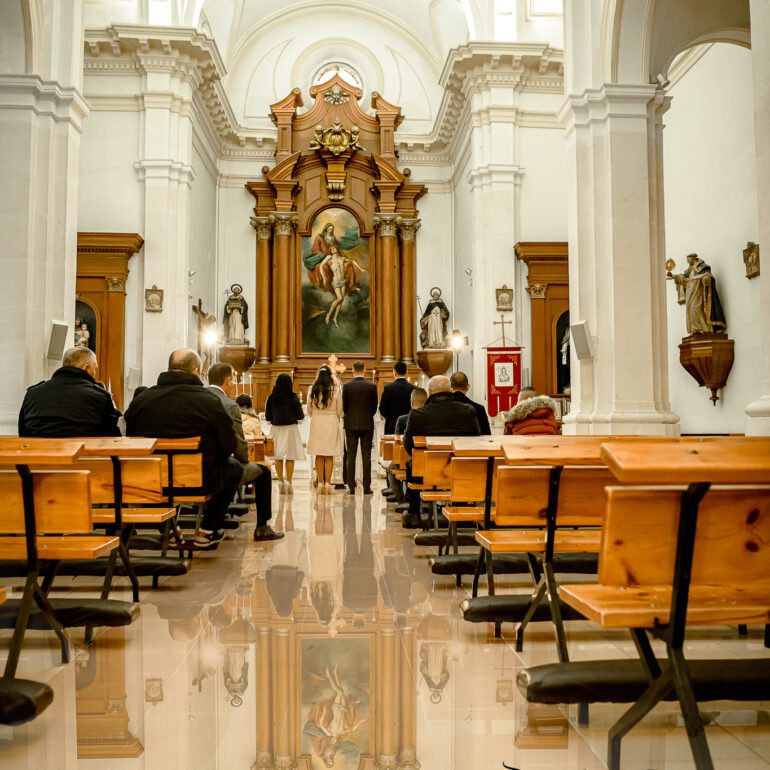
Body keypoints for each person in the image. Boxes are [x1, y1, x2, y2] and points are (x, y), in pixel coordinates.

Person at [125, 348, 240, 549]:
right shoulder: (208, 401)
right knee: (234, 469)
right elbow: (228, 444)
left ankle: (169, 530)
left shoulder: (142, 400)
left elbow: (131, 439)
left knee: (157, 470)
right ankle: (206, 531)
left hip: (152, 480)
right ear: (196, 371)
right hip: (200, 479)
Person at [207, 363, 281, 542]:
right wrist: (244, 459)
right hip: (216, 470)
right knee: (263, 472)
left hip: (187, 468)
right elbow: (239, 446)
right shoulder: (229, 405)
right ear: (228, 381)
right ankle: (262, 527)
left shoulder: (197, 400)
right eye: (233, 380)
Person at [402, 376, 480, 525]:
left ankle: (413, 513)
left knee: (413, 463)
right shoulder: (467, 410)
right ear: (450, 390)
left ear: (430, 392)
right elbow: (476, 439)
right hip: (460, 470)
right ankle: (462, 509)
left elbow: (408, 445)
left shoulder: (418, 414)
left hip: (426, 472)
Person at [19, 346, 121, 437]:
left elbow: (23, 432)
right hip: (84, 452)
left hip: (39, 451)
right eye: (95, 369)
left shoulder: (32, 393)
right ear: (86, 368)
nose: (95, 373)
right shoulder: (100, 396)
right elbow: (111, 436)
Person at [667, 253, 727, 336]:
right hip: (690, 293)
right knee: (691, 311)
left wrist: (706, 279)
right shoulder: (690, 270)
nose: (688, 262)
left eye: (688, 260)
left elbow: (708, 276)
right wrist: (673, 276)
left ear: (693, 258)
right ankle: (695, 329)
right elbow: (684, 278)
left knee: (696, 309)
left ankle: (704, 329)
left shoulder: (703, 267)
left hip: (698, 292)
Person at [264, 373, 306, 493]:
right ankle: (289, 482)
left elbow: (268, 416)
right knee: (290, 456)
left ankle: (280, 482)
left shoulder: (271, 397)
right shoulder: (293, 397)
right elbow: (300, 415)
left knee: (278, 456)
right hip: (290, 429)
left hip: (276, 429)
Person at [342, 361, 378, 495]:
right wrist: (366, 416)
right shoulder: (371, 386)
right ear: (365, 369)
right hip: (367, 424)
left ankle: (351, 487)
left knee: (350, 456)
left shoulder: (347, 386)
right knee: (366, 456)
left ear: (352, 370)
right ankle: (367, 487)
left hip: (350, 424)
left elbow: (344, 406)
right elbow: (374, 407)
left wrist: (350, 416)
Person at [388, 387, 427, 506]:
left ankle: (401, 499)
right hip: (430, 459)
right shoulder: (431, 417)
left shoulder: (403, 419)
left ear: (411, 402)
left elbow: (398, 442)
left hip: (408, 459)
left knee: (391, 467)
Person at [307, 366, 343, 494]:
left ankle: (320, 483)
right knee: (329, 454)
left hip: (317, 421)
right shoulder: (336, 389)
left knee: (319, 453)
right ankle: (328, 483)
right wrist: (334, 416)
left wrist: (315, 414)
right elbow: (339, 409)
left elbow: (309, 410)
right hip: (331, 422)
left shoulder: (312, 389)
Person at [378, 361, 415, 434]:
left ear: (394, 372)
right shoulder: (413, 388)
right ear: (406, 372)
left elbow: (382, 409)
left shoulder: (388, 388)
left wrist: (390, 417)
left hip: (392, 425)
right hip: (408, 424)